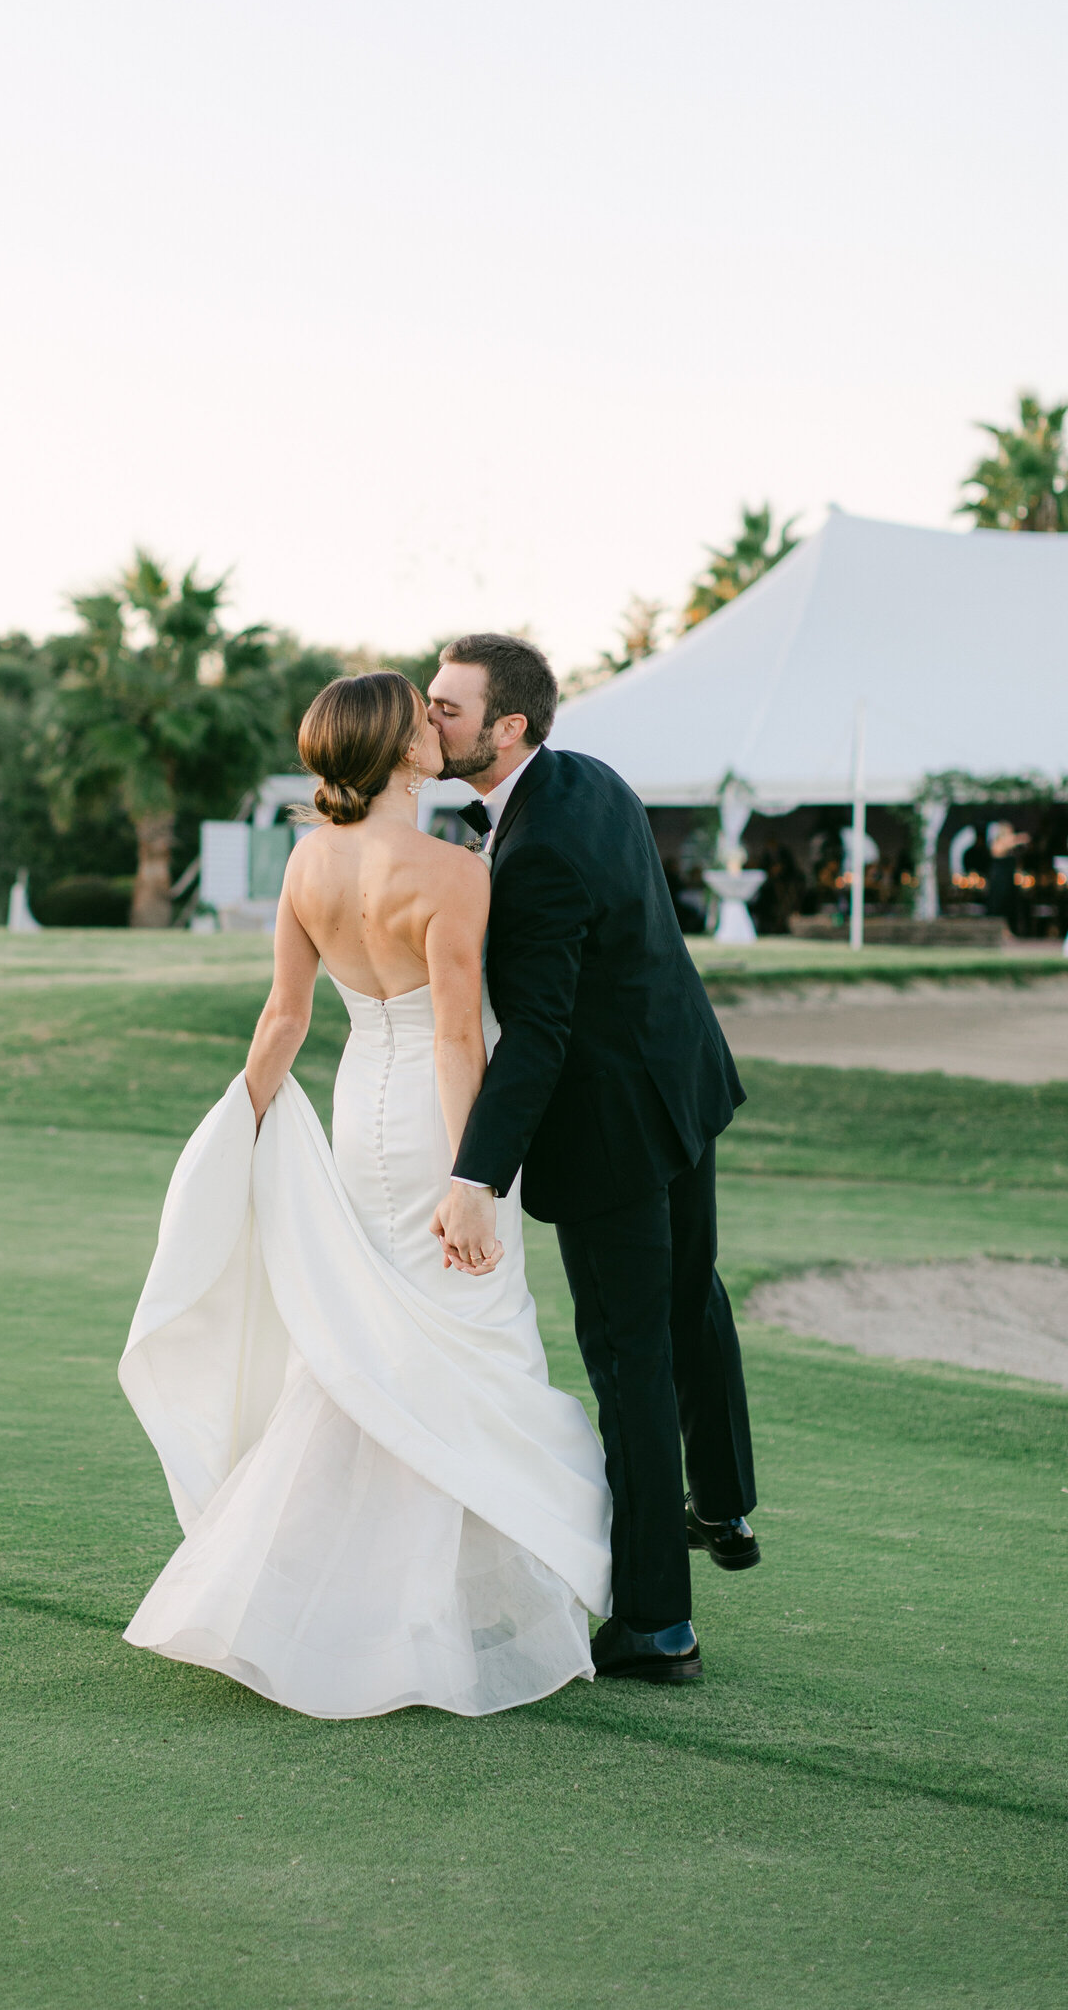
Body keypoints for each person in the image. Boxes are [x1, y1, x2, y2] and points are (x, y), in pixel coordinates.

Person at [120, 671, 611, 1719]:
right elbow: (450, 1032)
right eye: (421, 722)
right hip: (435, 1122)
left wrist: (241, 1122)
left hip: (356, 1117)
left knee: (367, 1351)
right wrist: (471, 1178)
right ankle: (416, 1619)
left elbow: (283, 1020)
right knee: (458, 1341)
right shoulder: (452, 870)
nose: (438, 730)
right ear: (398, 755)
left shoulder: (306, 861)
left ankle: (321, 1597)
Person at [429, 635, 758, 1684]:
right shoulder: (590, 780)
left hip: (615, 1125)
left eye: (445, 705)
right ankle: (725, 1497)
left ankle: (658, 1622)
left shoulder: (536, 853)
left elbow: (538, 1034)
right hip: (682, 1083)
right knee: (685, 1292)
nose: (426, 718)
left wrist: (475, 1173)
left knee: (629, 1360)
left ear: (506, 726)